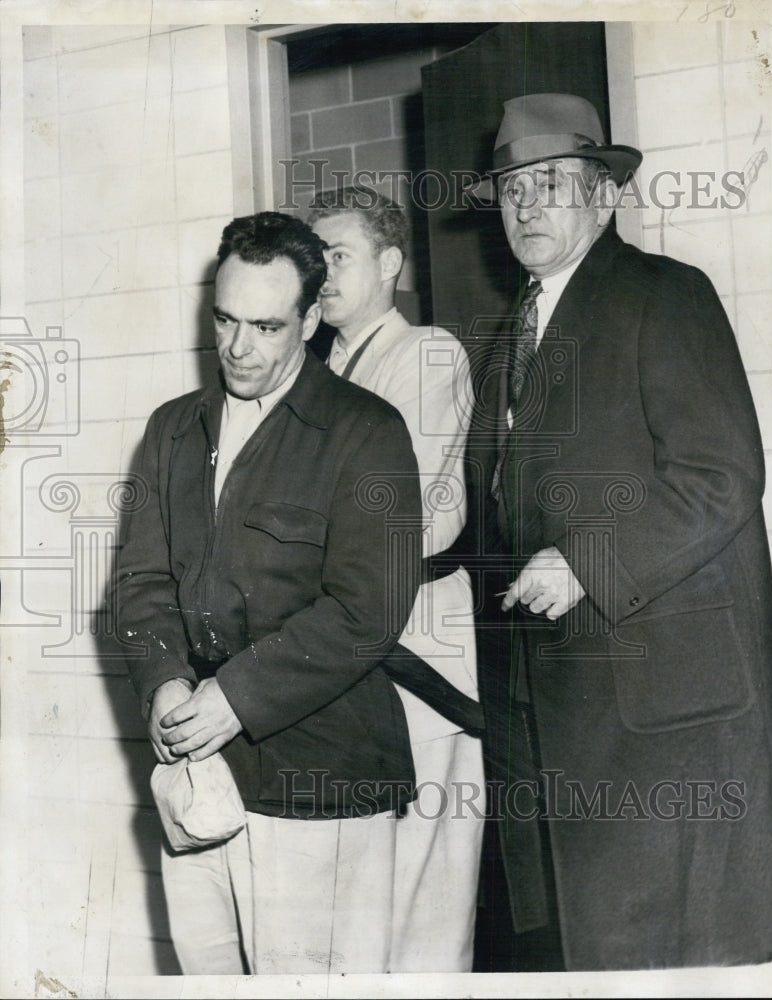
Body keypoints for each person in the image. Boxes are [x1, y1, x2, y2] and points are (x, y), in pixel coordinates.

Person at [465, 93, 772, 971]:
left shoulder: (663, 295)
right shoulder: (515, 329)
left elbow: (722, 476)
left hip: (659, 714)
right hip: (552, 706)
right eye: (510, 187)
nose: (525, 205)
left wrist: (585, 562)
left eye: (550, 183)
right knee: (588, 952)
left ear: (603, 195)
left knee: (660, 955)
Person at [114, 212, 423, 975]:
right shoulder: (172, 431)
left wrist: (234, 699)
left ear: (311, 319)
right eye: (223, 320)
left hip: (322, 780)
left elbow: (368, 609)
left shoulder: (365, 431)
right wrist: (163, 684)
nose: (238, 348)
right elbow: (140, 580)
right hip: (202, 782)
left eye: (265, 326)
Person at [307, 187, 485, 972]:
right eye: (312, 259)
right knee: (361, 896)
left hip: (421, 650)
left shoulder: (427, 352)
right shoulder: (323, 368)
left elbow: (412, 514)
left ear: (389, 263)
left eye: (336, 256)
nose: (320, 273)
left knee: (427, 890)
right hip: (348, 647)